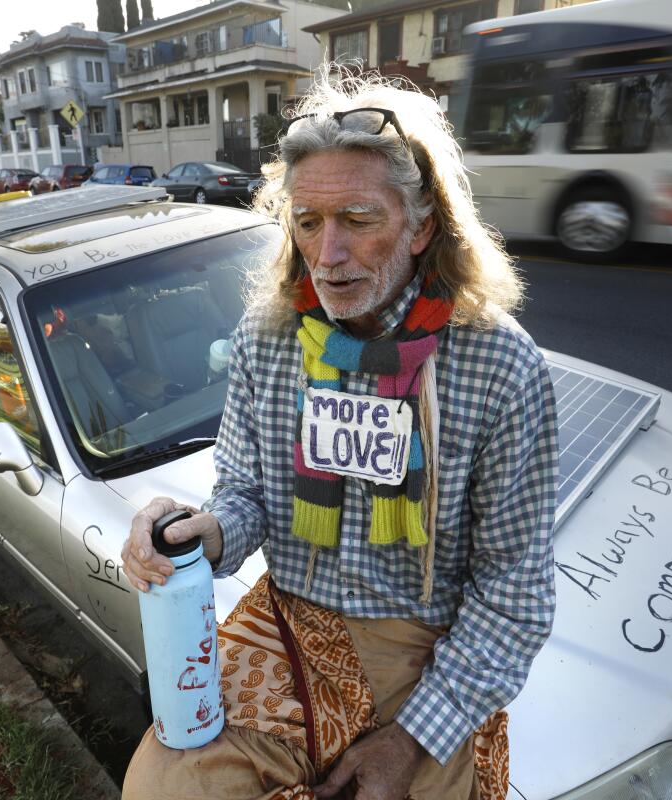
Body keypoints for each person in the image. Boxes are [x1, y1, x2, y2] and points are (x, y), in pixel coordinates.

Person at [120, 71, 559, 800]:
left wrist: (411, 740)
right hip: (292, 623)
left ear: (421, 227)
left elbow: (515, 596)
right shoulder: (266, 340)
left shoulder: (499, 364)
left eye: (358, 220)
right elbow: (245, 494)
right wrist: (203, 531)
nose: (327, 256)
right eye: (307, 221)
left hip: (429, 651)